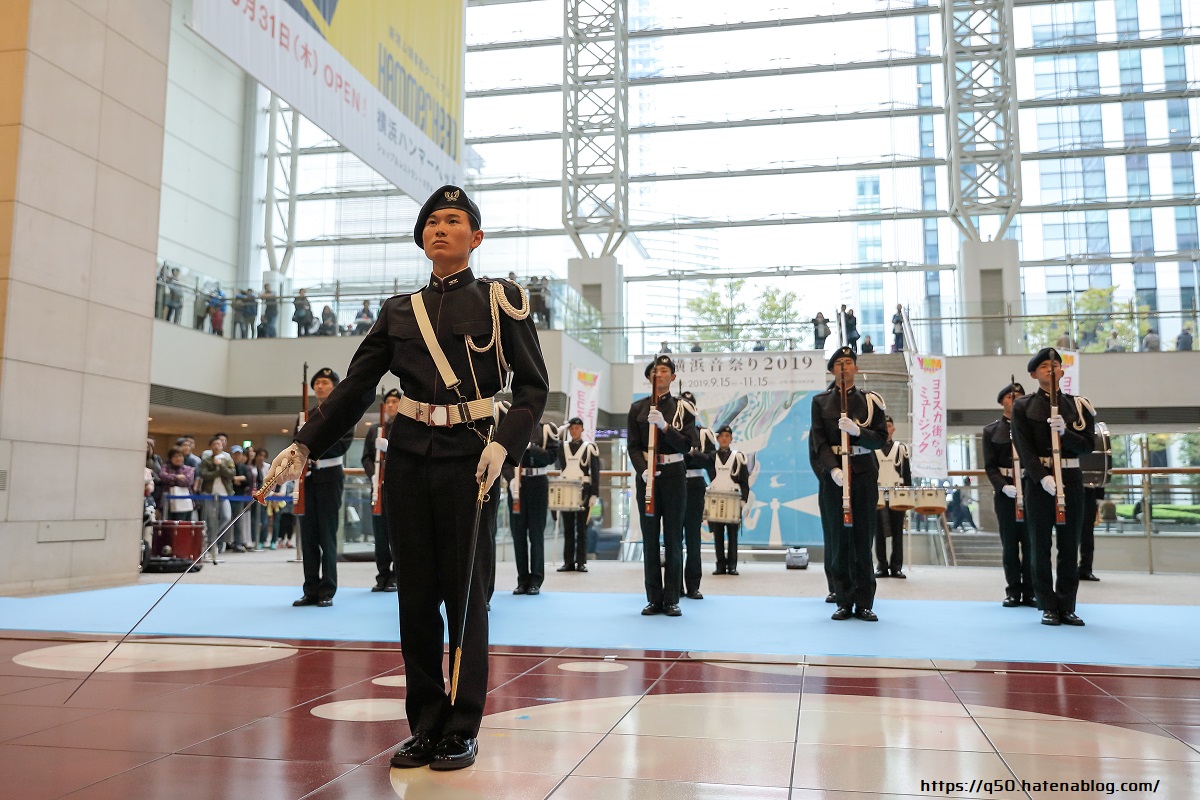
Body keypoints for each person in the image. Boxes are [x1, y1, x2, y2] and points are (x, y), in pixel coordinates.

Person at [264, 184, 548, 771]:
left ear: (476, 237)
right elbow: (355, 388)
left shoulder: (502, 300)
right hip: (411, 455)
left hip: (471, 457)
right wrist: (303, 442)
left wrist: (505, 443)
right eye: (432, 223)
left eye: (454, 220)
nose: (441, 229)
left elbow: (531, 385)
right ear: (422, 239)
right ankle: (424, 723)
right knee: (415, 596)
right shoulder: (398, 311)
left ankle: (462, 724)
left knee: (467, 595)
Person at [1011, 347, 1096, 626]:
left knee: (1070, 544)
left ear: (1063, 370)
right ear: (1034, 374)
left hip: (1070, 479)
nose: (1052, 369)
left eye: (1056, 364)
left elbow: (1087, 446)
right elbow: (1023, 448)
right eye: (1045, 366)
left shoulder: (1078, 406)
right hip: (1040, 483)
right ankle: (1047, 604)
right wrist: (1040, 476)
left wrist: (1065, 433)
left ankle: (1067, 605)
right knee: (1040, 545)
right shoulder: (1023, 406)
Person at [809, 346, 887, 621]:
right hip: (835, 478)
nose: (844, 367)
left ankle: (865, 601)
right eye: (839, 363)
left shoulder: (871, 401)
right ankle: (843, 599)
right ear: (832, 370)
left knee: (863, 538)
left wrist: (858, 432)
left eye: (849, 362)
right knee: (839, 539)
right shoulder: (820, 402)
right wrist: (832, 470)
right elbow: (818, 442)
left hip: (863, 472)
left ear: (856, 368)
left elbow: (880, 439)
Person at [628, 355, 698, 617]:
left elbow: (687, 445)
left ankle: (671, 599)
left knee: (672, 536)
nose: (660, 374)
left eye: (665, 370)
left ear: (673, 377)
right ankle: (653, 598)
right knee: (649, 538)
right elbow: (633, 446)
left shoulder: (683, 408)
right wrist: (643, 470)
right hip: (648, 476)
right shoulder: (637, 408)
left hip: (673, 474)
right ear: (649, 378)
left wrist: (665, 427)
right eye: (656, 371)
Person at [292, 367, 355, 606]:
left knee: (327, 535)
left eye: (325, 382)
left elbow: (340, 446)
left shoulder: (343, 413)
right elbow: (295, 448)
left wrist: (312, 443)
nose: (320, 386)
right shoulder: (303, 417)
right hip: (307, 480)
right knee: (308, 536)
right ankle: (310, 589)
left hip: (329, 478)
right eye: (317, 382)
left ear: (335, 387)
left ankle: (327, 589)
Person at [983, 382, 1035, 608]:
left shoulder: (1032, 429)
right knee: (1010, 545)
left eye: (1019, 396)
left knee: (1032, 544)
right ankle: (1013, 591)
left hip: (1031, 488)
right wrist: (1002, 486)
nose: (1014, 400)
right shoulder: (991, 431)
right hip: (1006, 493)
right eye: (1010, 396)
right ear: (1002, 401)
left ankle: (1031, 591)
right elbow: (990, 466)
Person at [506, 417, 558, 595]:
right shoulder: (512, 427)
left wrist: (531, 447)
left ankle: (536, 580)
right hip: (517, 485)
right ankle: (522, 580)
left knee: (536, 533)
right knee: (518, 534)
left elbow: (552, 457)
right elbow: (504, 458)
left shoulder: (547, 430)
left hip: (538, 483)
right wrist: (510, 479)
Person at [362, 388, 401, 592]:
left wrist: (391, 448)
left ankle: (395, 576)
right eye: (389, 402)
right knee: (380, 535)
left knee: (397, 535)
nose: (391, 405)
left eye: (395, 401)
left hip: (398, 489)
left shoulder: (406, 428)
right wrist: (374, 475)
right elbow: (366, 457)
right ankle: (382, 575)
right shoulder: (375, 429)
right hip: (379, 488)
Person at [555, 416, 601, 573]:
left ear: (582, 429)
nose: (574, 431)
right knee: (568, 528)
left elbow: (595, 472)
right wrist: (560, 432)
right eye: (571, 429)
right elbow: (553, 447)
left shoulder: (589, 447)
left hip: (584, 490)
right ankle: (568, 562)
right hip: (567, 489)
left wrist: (595, 493)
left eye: (577, 428)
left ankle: (581, 561)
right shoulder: (563, 446)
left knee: (582, 528)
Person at [679, 391, 714, 595]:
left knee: (693, 537)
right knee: (674, 538)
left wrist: (692, 452)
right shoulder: (670, 431)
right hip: (673, 483)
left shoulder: (704, 434)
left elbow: (710, 461)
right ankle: (675, 585)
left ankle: (693, 585)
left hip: (694, 484)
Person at [705, 424, 751, 576]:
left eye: (727, 436)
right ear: (717, 439)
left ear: (731, 439)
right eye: (721, 436)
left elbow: (744, 481)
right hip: (716, 498)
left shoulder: (738, 457)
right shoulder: (711, 457)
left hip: (733, 500)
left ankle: (732, 565)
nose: (724, 439)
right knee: (717, 534)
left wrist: (743, 501)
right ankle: (720, 565)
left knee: (733, 534)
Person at [873, 416, 911, 579]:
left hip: (897, 493)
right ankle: (882, 565)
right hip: (878, 494)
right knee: (878, 532)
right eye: (883, 425)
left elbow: (906, 473)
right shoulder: (872, 448)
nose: (886, 428)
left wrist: (909, 496)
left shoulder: (901, 448)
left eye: (888, 425)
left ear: (893, 428)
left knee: (897, 532)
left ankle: (896, 566)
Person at [198, 436, 234, 551]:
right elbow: (204, 475)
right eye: (214, 444)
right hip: (209, 492)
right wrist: (218, 471)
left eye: (219, 444)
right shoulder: (206, 460)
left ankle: (211, 539)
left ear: (222, 445)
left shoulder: (227, 459)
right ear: (211, 446)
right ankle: (211, 544)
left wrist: (221, 465)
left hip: (224, 493)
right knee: (210, 519)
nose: (216, 446)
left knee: (226, 517)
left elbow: (231, 474)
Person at [228, 445, 253, 552]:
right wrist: (237, 479)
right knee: (225, 519)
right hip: (227, 496)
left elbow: (248, 481)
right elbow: (227, 479)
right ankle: (225, 542)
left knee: (238, 521)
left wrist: (237, 479)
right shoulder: (228, 466)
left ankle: (238, 542)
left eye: (239, 454)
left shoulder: (244, 467)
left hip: (239, 497)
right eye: (235, 454)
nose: (237, 456)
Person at [160, 447, 195, 521]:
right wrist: (177, 477)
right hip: (167, 502)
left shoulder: (189, 469)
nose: (178, 458)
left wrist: (171, 479)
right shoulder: (165, 467)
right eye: (175, 456)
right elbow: (163, 477)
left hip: (184, 502)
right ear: (170, 458)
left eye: (180, 456)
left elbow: (187, 481)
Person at [1079, 485, 1103, 581]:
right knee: (1067, 534)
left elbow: (1102, 470)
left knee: (1087, 533)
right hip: (1064, 489)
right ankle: (1068, 570)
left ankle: (1085, 569)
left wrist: (1099, 496)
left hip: (1088, 492)